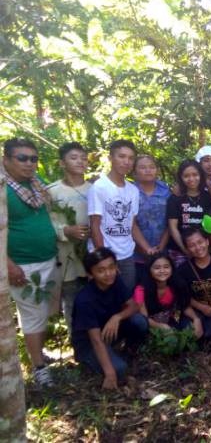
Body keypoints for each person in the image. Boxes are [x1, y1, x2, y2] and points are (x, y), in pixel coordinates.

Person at [2, 137, 59, 387]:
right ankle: (39, 367)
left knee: (42, 312)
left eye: (33, 159)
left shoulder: (37, 184)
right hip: (22, 265)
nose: (29, 163)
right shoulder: (3, 188)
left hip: (47, 259)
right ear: (6, 159)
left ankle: (36, 354)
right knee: (33, 314)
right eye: (22, 158)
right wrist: (8, 264)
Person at [71, 248, 148, 390]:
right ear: (91, 274)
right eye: (101, 270)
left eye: (112, 267)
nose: (108, 274)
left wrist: (117, 317)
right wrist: (110, 373)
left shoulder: (115, 282)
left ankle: (127, 351)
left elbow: (134, 306)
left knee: (140, 321)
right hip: (89, 343)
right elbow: (95, 340)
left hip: (110, 332)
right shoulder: (85, 300)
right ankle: (91, 361)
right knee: (119, 370)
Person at [88, 139, 148, 291]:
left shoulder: (133, 190)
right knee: (105, 300)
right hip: (105, 256)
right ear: (111, 158)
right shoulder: (99, 187)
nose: (126, 161)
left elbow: (132, 225)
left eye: (130, 158)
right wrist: (105, 260)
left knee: (126, 297)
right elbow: (94, 225)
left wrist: (147, 249)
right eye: (121, 156)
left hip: (127, 255)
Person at [46, 142, 91, 330]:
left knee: (92, 302)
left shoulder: (95, 188)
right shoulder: (51, 191)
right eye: (74, 158)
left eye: (83, 158)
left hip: (90, 255)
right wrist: (65, 230)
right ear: (62, 163)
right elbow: (45, 223)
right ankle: (77, 345)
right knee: (71, 303)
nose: (80, 162)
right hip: (66, 257)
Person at [133, 253, 203, 338]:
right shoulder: (140, 290)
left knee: (192, 332)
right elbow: (144, 318)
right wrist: (160, 326)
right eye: (157, 268)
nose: (162, 271)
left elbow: (184, 306)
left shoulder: (177, 284)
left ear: (172, 269)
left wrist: (196, 319)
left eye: (166, 267)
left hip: (174, 319)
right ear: (149, 270)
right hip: (152, 325)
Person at [167, 159, 211, 265]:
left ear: (201, 175)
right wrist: (185, 249)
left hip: (203, 249)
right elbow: (173, 227)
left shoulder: (207, 197)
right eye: (186, 176)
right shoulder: (175, 198)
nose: (191, 179)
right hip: (179, 250)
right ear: (181, 178)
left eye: (195, 174)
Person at [132, 155, 170, 280]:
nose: (148, 170)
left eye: (151, 167)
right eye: (143, 167)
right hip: (136, 253)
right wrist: (146, 249)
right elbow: (131, 223)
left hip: (162, 251)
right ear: (135, 172)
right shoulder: (129, 191)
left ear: (157, 170)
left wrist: (161, 247)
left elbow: (170, 221)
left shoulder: (166, 191)